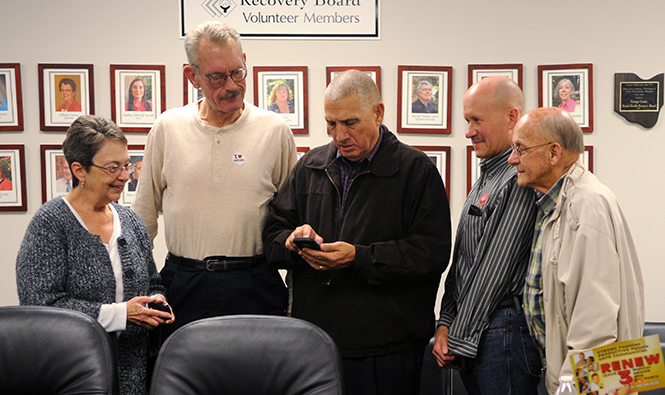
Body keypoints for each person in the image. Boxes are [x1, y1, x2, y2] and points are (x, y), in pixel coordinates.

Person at [263, 70, 452, 395]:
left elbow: (431, 253)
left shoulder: (416, 171)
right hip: (315, 344)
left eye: (350, 123)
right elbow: (271, 238)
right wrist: (292, 242)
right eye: (331, 124)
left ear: (378, 113)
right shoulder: (310, 166)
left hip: (387, 350)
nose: (340, 135)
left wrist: (359, 257)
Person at [131, 21, 297, 338]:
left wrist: (294, 295)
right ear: (192, 76)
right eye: (217, 77)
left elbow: (293, 220)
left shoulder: (274, 131)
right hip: (183, 283)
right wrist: (142, 287)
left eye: (237, 72)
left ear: (245, 62)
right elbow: (143, 219)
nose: (231, 85)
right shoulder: (167, 127)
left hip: (255, 283)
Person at [16, 115, 173, 395]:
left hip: (134, 375)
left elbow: (152, 283)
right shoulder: (50, 223)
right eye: (113, 167)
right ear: (79, 170)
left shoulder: (132, 222)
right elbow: (40, 305)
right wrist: (122, 314)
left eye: (126, 165)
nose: (125, 176)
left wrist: (156, 301)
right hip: (71, 375)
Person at [508, 107, 644, 393]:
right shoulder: (562, 202)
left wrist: (571, 387)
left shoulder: (586, 206)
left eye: (520, 149)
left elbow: (595, 323)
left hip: (588, 383)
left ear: (554, 153)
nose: (512, 159)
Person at [433, 76, 542, 394]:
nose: (468, 131)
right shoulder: (487, 176)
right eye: (467, 120)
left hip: (502, 329)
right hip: (479, 329)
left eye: (477, 120)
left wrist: (459, 337)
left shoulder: (519, 176)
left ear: (512, 117)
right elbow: (463, 262)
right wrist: (445, 321)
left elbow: (495, 269)